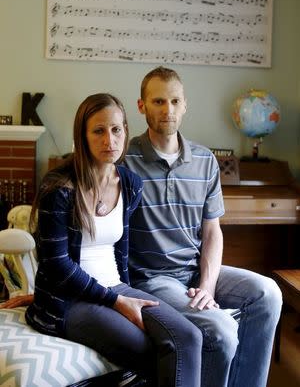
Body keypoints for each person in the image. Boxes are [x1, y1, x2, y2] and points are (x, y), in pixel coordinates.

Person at [22, 93, 202, 387]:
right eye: (98, 131)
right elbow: (56, 265)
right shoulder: (59, 186)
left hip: (116, 287)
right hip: (71, 301)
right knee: (144, 347)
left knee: (189, 337)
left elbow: (121, 248)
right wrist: (117, 302)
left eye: (116, 130)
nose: (110, 140)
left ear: (125, 131)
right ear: (82, 135)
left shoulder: (131, 184)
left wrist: (126, 294)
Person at [124, 66, 282, 387]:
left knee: (269, 294)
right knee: (221, 329)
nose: (167, 110)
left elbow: (212, 232)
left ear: (185, 105)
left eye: (174, 101)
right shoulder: (125, 160)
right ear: (141, 106)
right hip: (154, 280)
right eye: (157, 102)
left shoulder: (205, 160)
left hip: (195, 272)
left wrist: (207, 286)